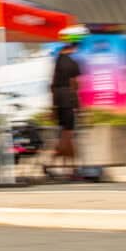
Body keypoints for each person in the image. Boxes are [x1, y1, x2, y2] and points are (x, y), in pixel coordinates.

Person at [49, 27, 85, 176]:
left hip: (58, 100)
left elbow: (52, 84)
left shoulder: (58, 60)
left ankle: (68, 166)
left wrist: (53, 106)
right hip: (68, 101)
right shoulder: (72, 63)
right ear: (75, 46)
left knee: (64, 133)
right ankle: (55, 161)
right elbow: (74, 85)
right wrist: (79, 106)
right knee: (67, 135)